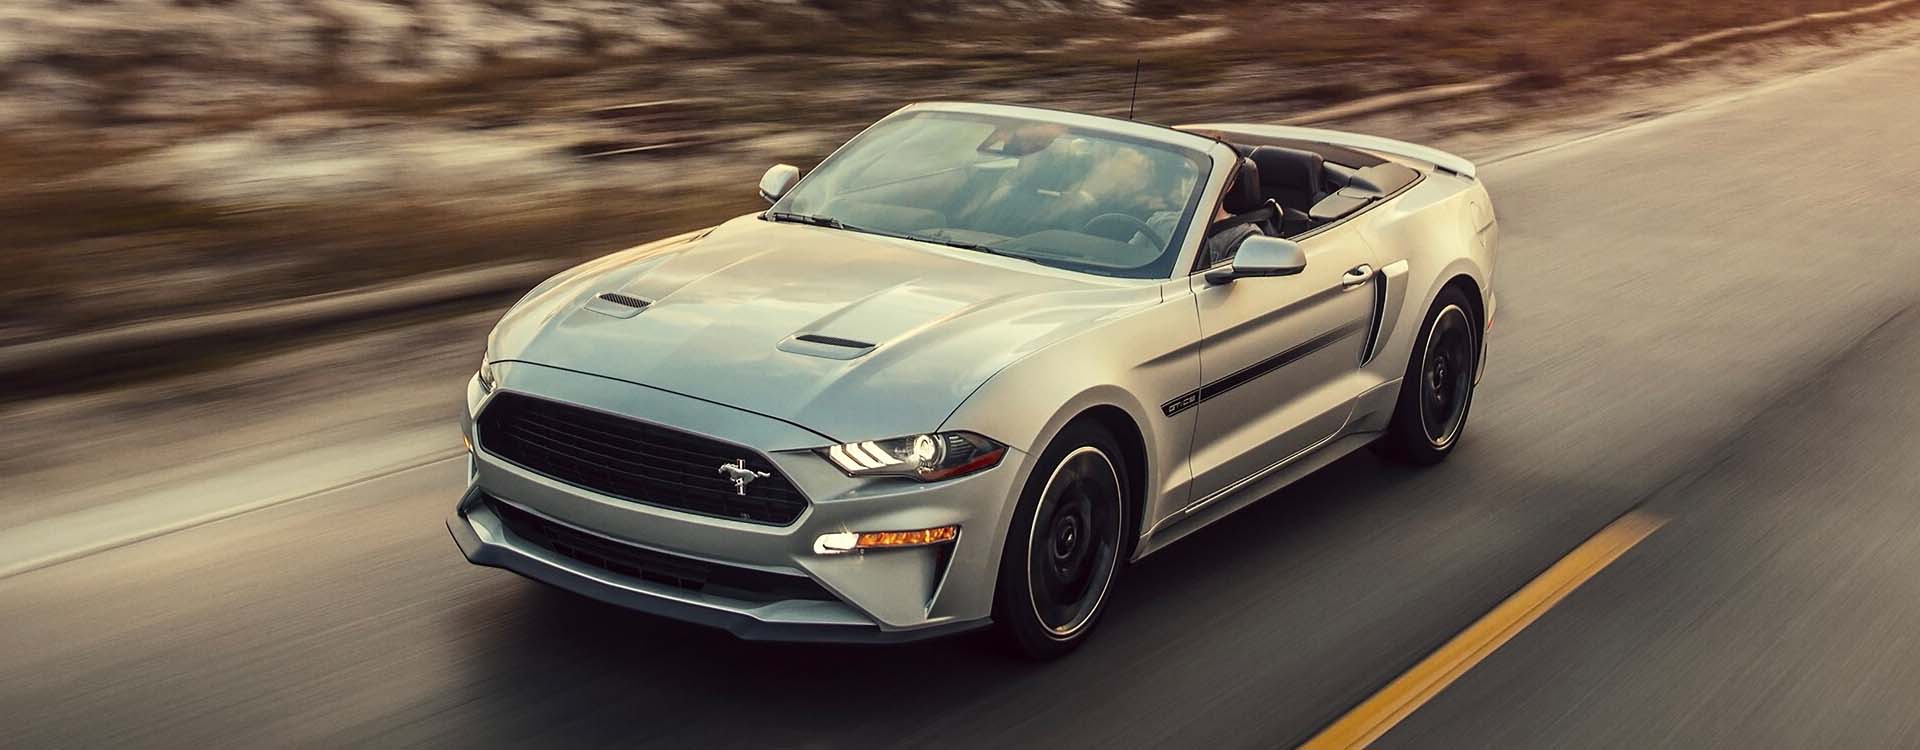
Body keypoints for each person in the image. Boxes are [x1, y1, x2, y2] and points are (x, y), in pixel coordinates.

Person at [1201, 167, 1266, 268]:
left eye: (1203, 177)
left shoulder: (1245, 237)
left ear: (1227, 183)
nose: (1185, 185)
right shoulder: (1171, 221)